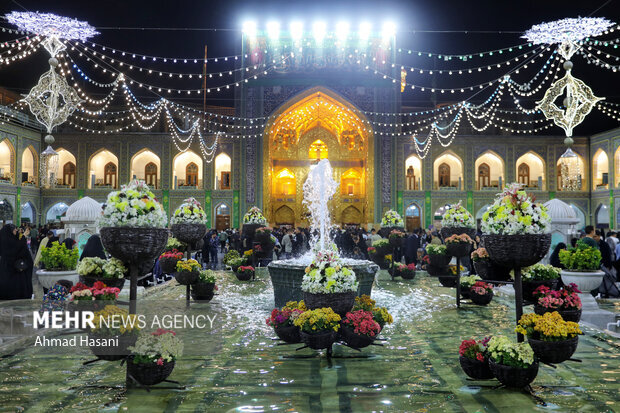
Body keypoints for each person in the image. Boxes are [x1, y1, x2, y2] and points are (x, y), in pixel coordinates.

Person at [0, 224, 34, 300]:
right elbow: (16, 248)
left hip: (12, 266)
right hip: (10, 266)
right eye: (14, 229)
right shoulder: (6, 240)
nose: (16, 230)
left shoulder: (10, 238)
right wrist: (24, 237)